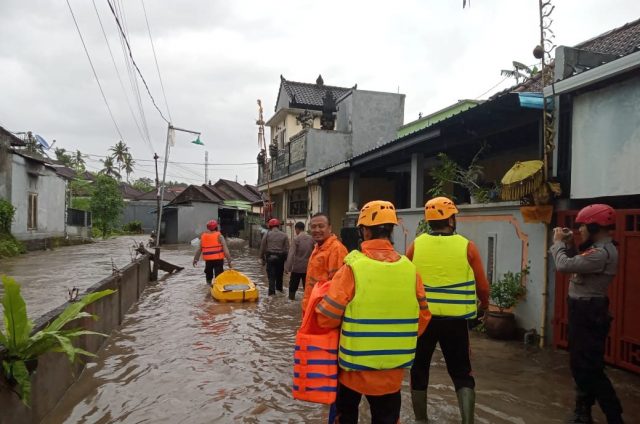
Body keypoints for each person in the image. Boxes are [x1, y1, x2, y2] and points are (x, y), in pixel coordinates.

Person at [315, 200, 431, 424]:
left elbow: (326, 317)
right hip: (392, 373)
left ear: (364, 230)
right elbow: (424, 317)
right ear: (391, 230)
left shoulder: (352, 268)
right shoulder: (410, 269)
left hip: (352, 372)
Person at [408, 197, 489, 424]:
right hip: (455, 322)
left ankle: (421, 420)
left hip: (423, 320)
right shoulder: (467, 246)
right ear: (452, 219)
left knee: (419, 370)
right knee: (462, 373)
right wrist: (485, 306)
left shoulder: (417, 244)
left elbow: (404, 275)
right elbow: (482, 285)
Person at [550, 204, 624, 424]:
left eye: (582, 226)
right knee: (580, 364)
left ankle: (614, 415)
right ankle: (583, 413)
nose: (579, 230)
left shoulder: (601, 254)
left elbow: (564, 265)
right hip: (584, 310)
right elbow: (577, 264)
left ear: (594, 226)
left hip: (588, 312)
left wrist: (557, 244)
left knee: (589, 367)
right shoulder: (596, 251)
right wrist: (570, 243)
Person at [301, 213, 348, 312]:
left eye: (321, 226)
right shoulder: (318, 248)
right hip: (311, 307)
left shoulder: (336, 250)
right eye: (313, 227)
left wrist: (323, 313)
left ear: (330, 228)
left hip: (322, 312)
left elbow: (337, 289)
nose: (317, 230)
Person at [193, 219, 232, 286]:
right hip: (218, 260)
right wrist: (229, 261)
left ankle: (208, 289)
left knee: (208, 277)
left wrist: (195, 259)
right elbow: (226, 250)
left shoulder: (203, 237)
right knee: (219, 277)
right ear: (216, 227)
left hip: (208, 261)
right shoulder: (220, 236)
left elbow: (199, 250)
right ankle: (218, 289)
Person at [284, 221, 314, 300]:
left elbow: (291, 254)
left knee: (293, 287)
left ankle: (291, 300)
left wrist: (287, 268)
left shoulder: (296, 239)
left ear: (297, 229)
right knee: (307, 288)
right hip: (308, 268)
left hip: (297, 268)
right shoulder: (311, 239)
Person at [259, 218, 290, 295]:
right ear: (278, 226)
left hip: (270, 258)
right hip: (280, 259)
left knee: (271, 278)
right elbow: (287, 250)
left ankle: (271, 295)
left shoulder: (267, 234)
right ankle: (279, 291)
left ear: (270, 226)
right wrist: (287, 263)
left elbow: (262, 247)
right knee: (279, 277)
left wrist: (261, 258)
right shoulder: (284, 235)